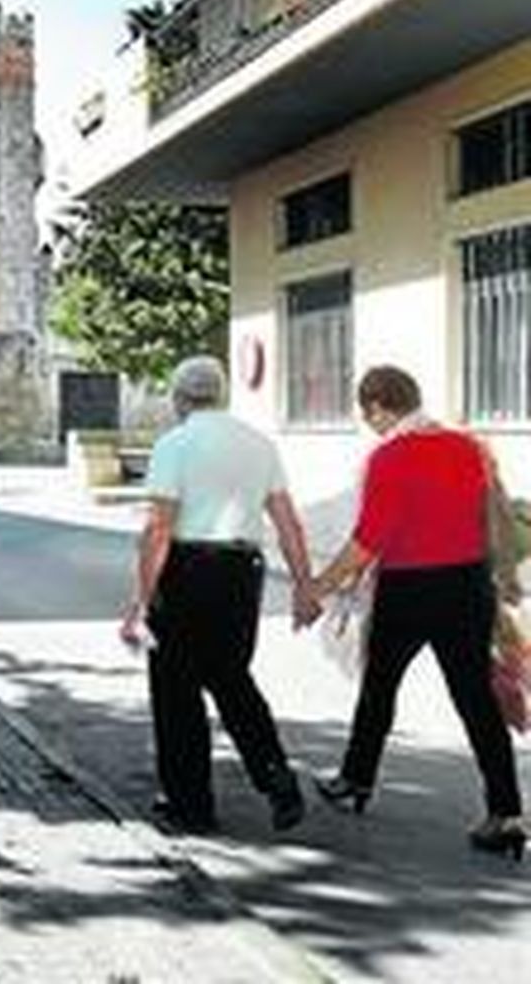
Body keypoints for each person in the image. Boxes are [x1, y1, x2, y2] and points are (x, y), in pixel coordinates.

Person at [305, 365, 524, 860]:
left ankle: (355, 781)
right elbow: (490, 516)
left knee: (379, 688)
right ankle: (507, 813)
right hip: (468, 585)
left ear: (379, 406)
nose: (369, 424)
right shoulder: (469, 447)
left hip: (409, 588)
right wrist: (503, 577)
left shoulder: (389, 457)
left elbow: (368, 540)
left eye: (367, 414)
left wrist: (319, 586)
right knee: (477, 699)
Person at [120, 356, 314, 834]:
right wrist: (304, 586)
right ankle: (274, 773)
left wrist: (141, 601)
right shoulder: (258, 444)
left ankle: (191, 805)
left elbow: (159, 528)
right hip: (241, 572)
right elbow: (287, 522)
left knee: (176, 691)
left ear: (178, 398)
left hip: (187, 569)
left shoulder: (174, 445)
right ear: (221, 394)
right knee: (230, 678)